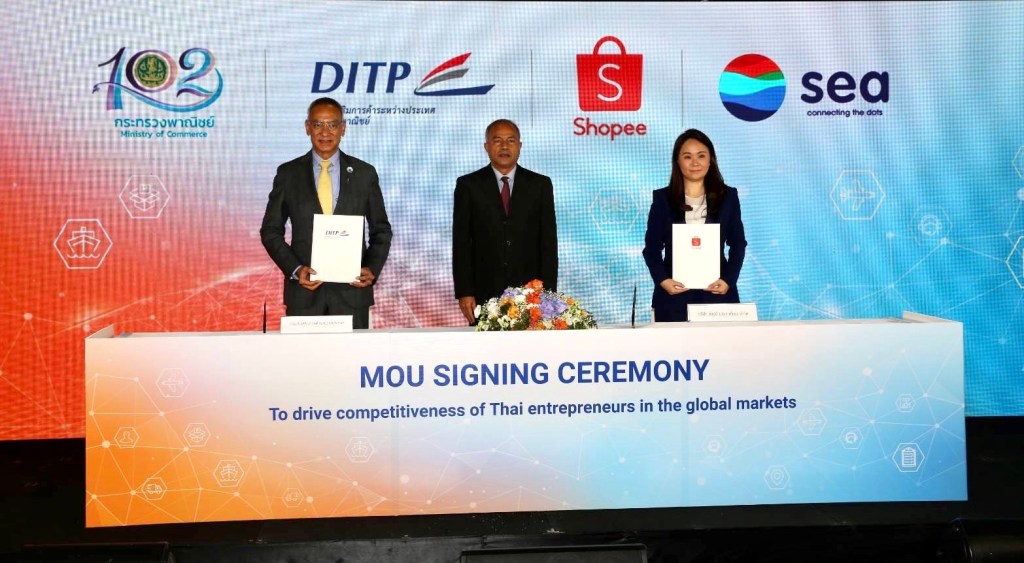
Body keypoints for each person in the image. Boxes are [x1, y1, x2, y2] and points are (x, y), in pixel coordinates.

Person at [260, 97, 392, 329]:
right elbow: (270, 231)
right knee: (305, 355)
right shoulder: (288, 174)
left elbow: (381, 230)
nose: (325, 132)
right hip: (304, 294)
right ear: (307, 127)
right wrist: (295, 270)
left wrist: (371, 268)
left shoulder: (364, 173)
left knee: (353, 354)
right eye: (318, 124)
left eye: (332, 124)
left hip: (352, 293)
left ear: (343, 128)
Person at [452, 119, 558, 325]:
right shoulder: (468, 185)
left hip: (531, 295)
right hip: (483, 293)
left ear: (520, 145)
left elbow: (548, 243)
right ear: (486, 146)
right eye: (497, 140)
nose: (504, 146)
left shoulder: (540, 185)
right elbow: (461, 242)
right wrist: (464, 291)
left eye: (511, 140)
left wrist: (548, 295)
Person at [642, 129, 746, 322]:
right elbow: (651, 248)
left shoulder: (728, 197)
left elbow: (738, 244)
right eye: (687, 157)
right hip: (673, 296)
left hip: (718, 294)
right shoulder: (662, 199)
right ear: (677, 161)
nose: (695, 163)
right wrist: (663, 280)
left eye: (701, 156)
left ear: (711, 160)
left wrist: (728, 280)